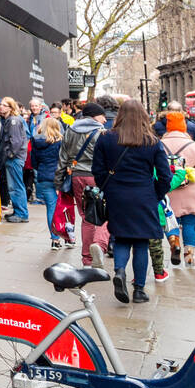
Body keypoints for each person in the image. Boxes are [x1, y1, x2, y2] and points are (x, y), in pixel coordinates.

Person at [92, 100, 171, 305]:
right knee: (141, 243)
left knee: (121, 237)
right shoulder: (152, 141)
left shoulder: (106, 138)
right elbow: (165, 176)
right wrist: (156, 194)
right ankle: (139, 290)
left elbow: (98, 171)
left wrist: (108, 189)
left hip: (117, 195)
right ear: (143, 116)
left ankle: (119, 270)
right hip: (144, 195)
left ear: (120, 115)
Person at [161, 110, 195, 268]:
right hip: (192, 188)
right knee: (191, 222)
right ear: (184, 126)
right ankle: (189, 254)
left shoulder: (158, 145)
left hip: (168, 188)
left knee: (170, 221)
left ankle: (174, 243)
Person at [59, 102, 108, 267]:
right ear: (95, 115)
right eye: (103, 116)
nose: (105, 119)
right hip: (97, 177)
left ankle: (86, 259)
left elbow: (63, 157)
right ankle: (99, 246)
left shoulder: (70, 130)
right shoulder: (101, 132)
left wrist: (58, 181)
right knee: (106, 213)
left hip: (76, 177)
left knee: (86, 218)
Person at [30, 116, 65, 249]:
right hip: (59, 177)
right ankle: (68, 236)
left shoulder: (36, 141)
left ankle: (55, 239)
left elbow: (34, 162)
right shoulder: (61, 142)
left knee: (51, 208)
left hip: (44, 176)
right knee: (64, 208)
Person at [0, 97, 29, 222]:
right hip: (14, 158)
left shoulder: (13, 121)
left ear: (11, 108)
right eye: (0, 105)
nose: (1, 107)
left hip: (14, 159)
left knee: (16, 186)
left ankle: (21, 214)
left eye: (5, 105)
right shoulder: (10, 120)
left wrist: (10, 155)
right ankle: (18, 211)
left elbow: (15, 141)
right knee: (14, 186)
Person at [23, 97, 47, 204]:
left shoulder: (45, 118)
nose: (34, 108)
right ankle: (39, 197)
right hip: (32, 149)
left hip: (41, 148)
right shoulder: (30, 118)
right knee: (34, 174)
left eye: (36, 106)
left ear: (41, 106)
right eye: (32, 106)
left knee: (39, 175)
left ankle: (41, 197)